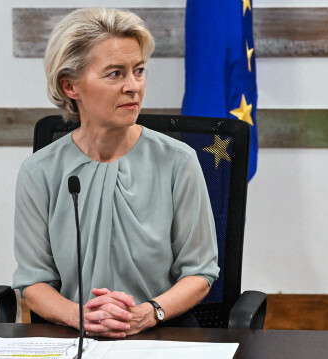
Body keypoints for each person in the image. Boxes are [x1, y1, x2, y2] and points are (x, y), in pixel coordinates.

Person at [12, 8, 219, 338]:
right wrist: (82, 317)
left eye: (138, 71)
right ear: (70, 86)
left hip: (161, 333)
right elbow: (33, 281)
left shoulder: (178, 160)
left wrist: (147, 313)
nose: (133, 87)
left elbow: (199, 273)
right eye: (115, 74)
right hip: (74, 336)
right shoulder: (40, 171)